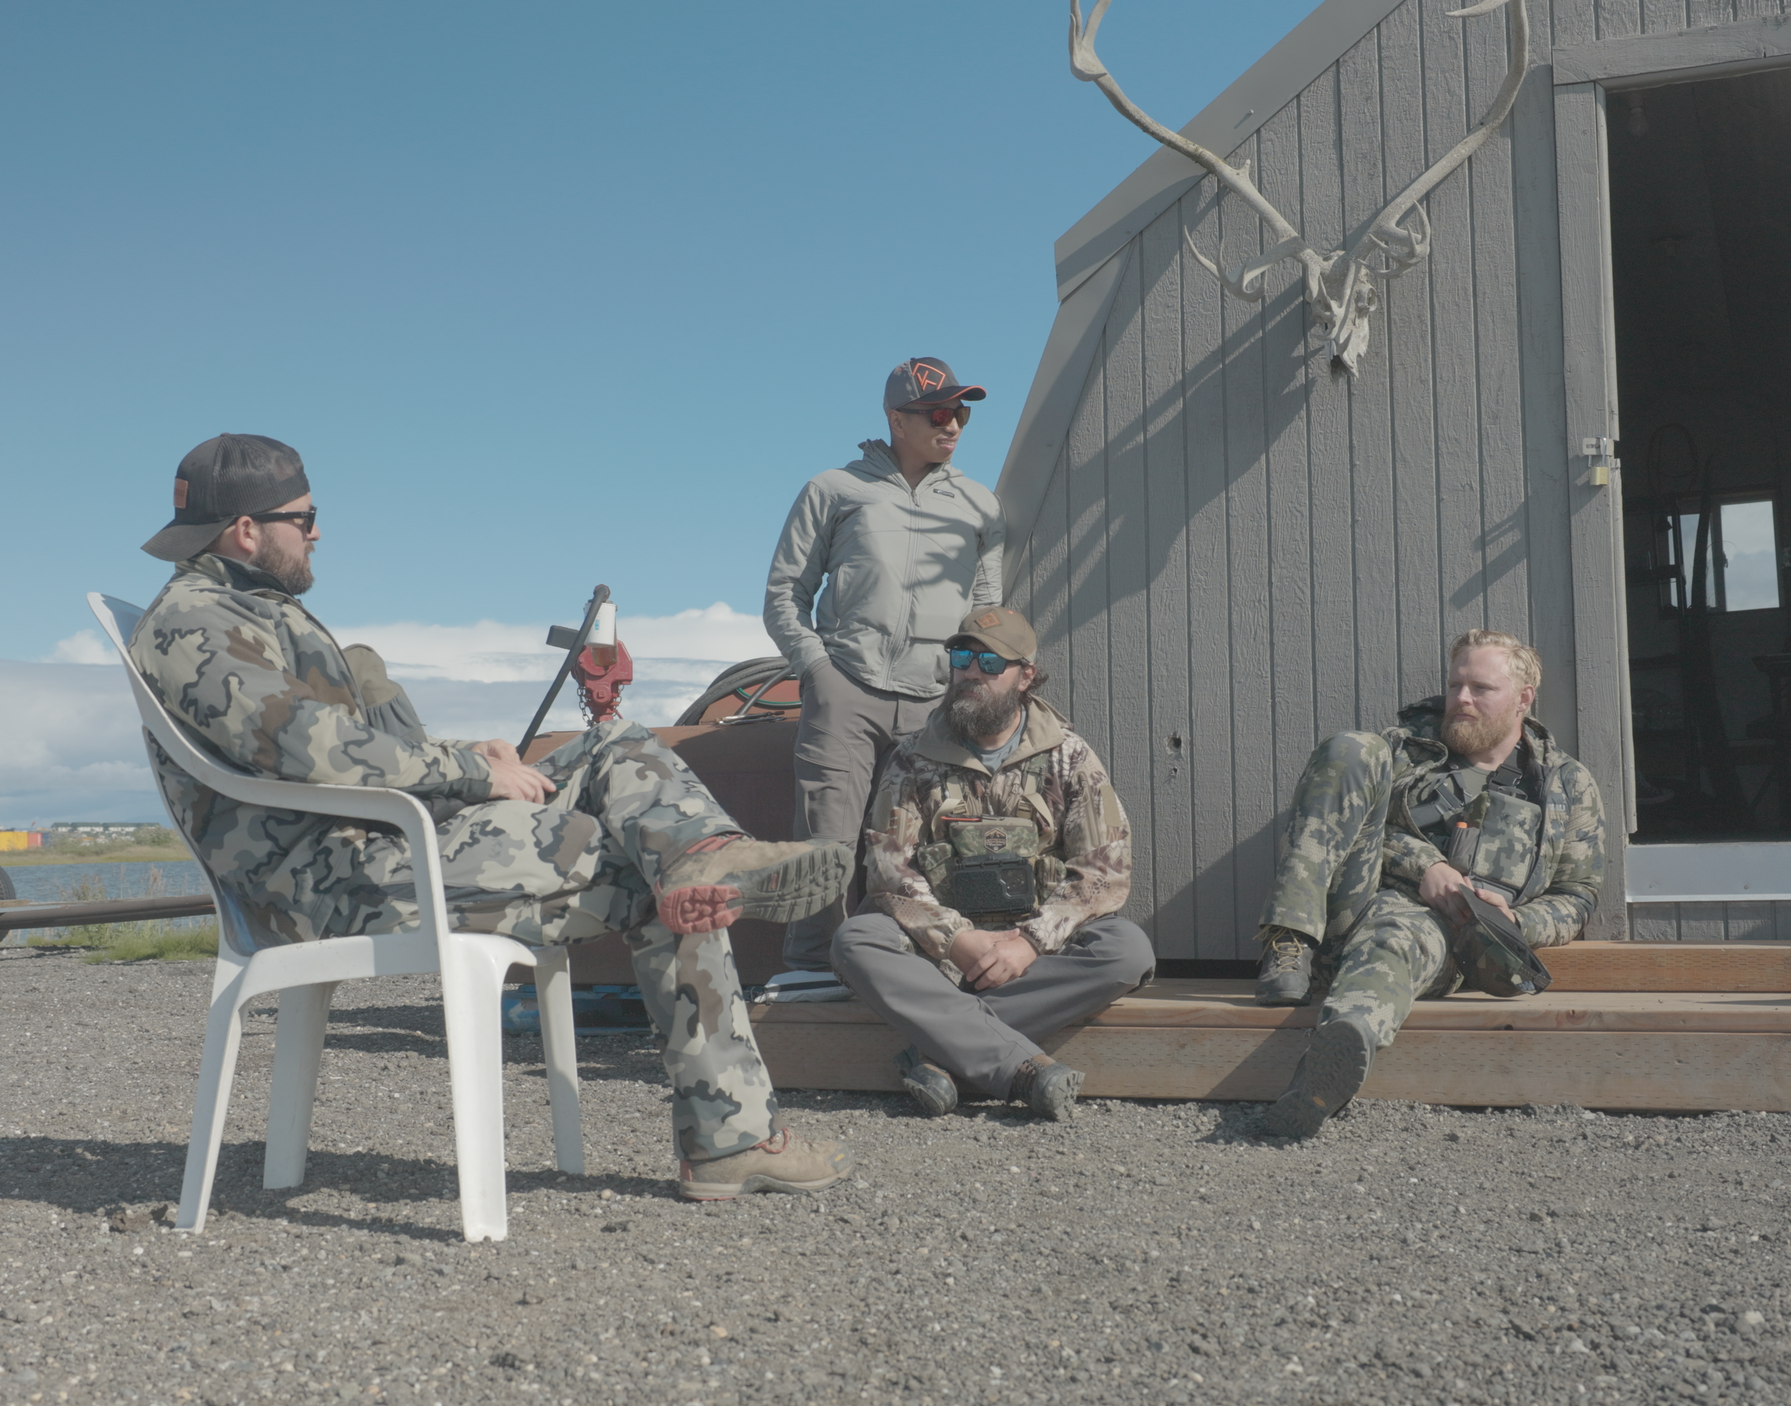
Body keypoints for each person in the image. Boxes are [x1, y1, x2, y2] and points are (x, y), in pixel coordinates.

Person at [126, 432, 854, 1200]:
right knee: (645, 867)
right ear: (246, 529)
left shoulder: (247, 610)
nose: (318, 531)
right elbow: (312, 750)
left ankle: (713, 855)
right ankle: (730, 1135)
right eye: (305, 517)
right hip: (330, 882)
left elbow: (349, 745)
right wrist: (476, 774)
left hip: (376, 843)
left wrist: (468, 754)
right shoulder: (193, 624)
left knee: (617, 746)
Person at [1251, 630, 1606, 1139]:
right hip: (1350, 904)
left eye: (1480, 688)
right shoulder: (1405, 750)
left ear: (1523, 699)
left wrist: (1515, 920)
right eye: (1456, 684)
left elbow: (1578, 895)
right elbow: (1353, 832)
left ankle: (1325, 1070)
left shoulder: (1566, 785)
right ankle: (1289, 941)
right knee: (1351, 747)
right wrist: (1428, 867)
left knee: (1395, 936)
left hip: (1452, 935)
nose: (1460, 699)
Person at [830, 606, 1149, 1119]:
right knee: (856, 940)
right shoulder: (912, 758)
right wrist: (955, 940)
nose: (971, 671)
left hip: (1033, 953)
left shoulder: (1069, 755)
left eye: (990, 662)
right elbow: (889, 871)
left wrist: (1030, 942)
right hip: (937, 955)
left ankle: (938, 1053)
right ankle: (1016, 1068)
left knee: (1127, 951)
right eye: (962, 656)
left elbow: (1104, 868)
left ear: (1026, 676)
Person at [762, 357, 1006, 991]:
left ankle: (913, 972)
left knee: (927, 845)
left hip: (935, 702)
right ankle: (812, 974)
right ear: (896, 419)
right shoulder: (835, 489)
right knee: (829, 840)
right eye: (938, 412)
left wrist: (971, 684)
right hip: (847, 686)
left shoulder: (980, 505)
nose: (952, 424)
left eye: (962, 412)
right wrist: (816, 668)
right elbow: (786, 592)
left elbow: (987, 613)